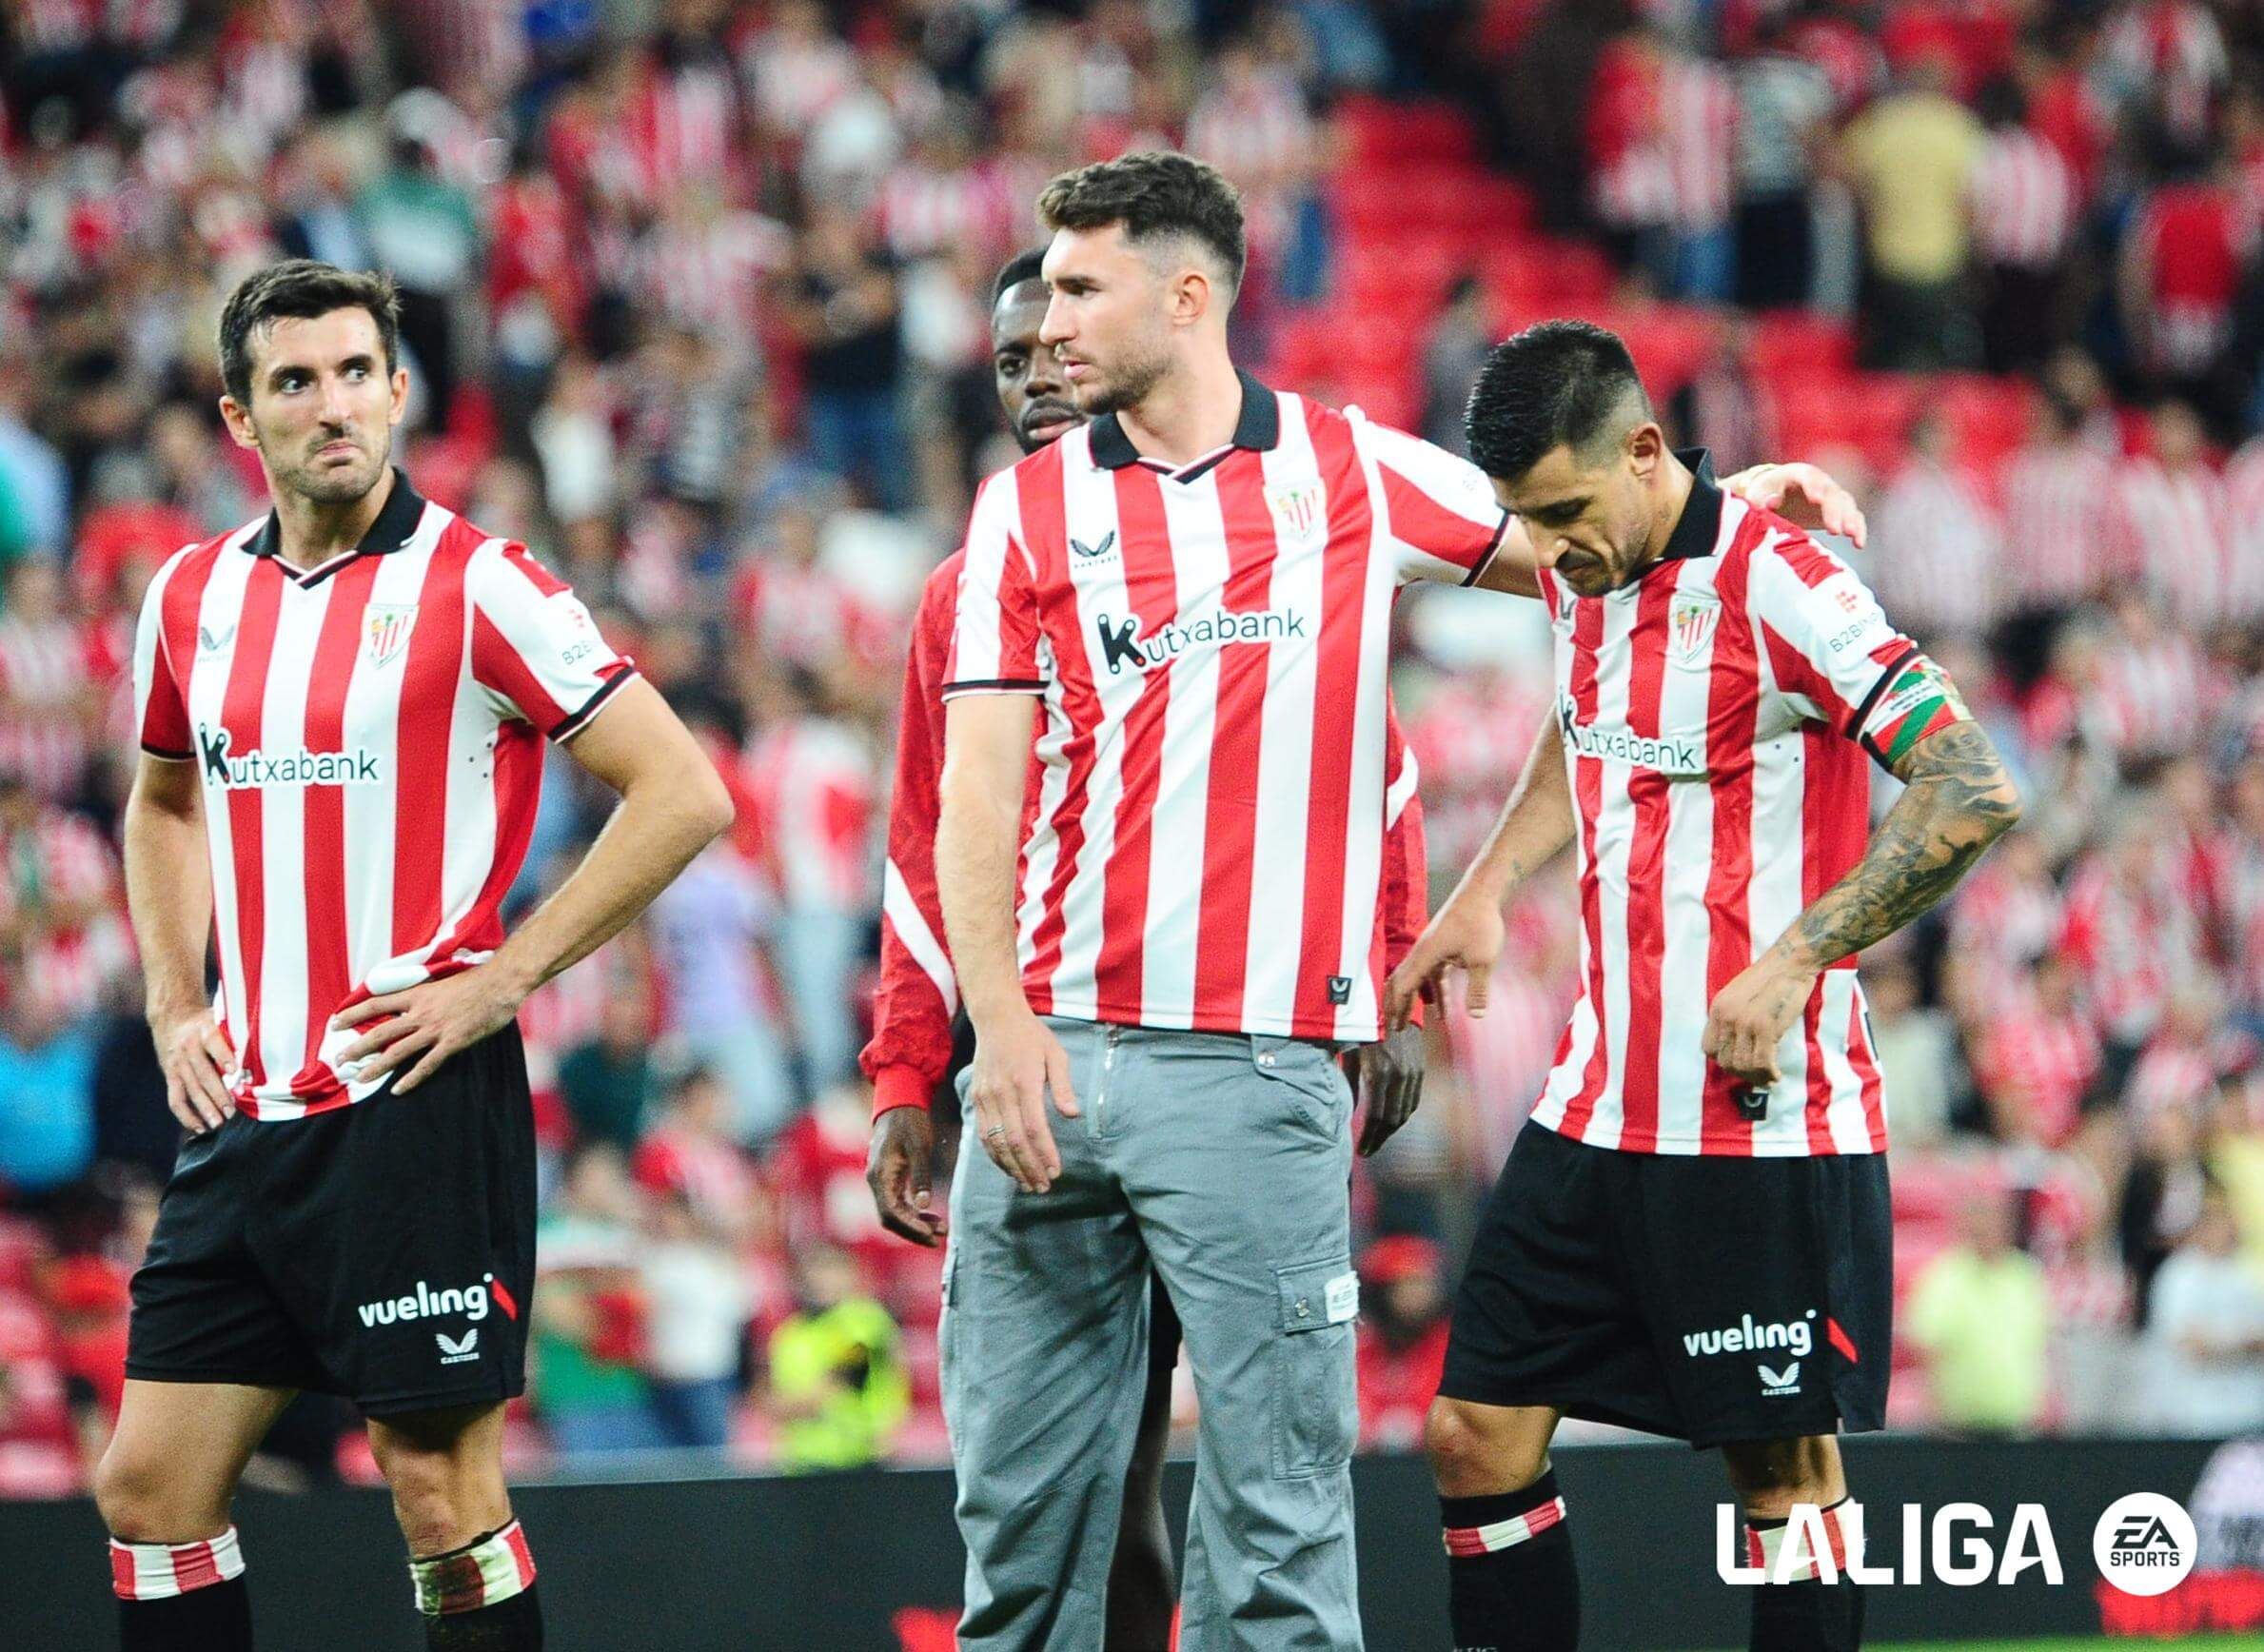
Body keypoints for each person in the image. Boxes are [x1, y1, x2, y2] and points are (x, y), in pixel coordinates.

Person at [935, 154, 1864, 1651]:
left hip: (1253, 1071)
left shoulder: (1350, 471)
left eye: (1078, 286)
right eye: (1044, 286)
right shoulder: (1020, 513)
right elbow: (971, 801)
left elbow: (1590, 544)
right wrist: (994, 1027)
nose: (1045, 321)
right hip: (1043, 1063)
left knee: (1279, 1538)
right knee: (1024, 1538)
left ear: (1188, 298)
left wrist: (1723, 500)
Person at [95, 261, 734, 1652]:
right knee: (147, 1491)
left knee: (438, 1492)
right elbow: (159, 801)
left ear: (398, 389)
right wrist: (171, 994)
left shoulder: (482, 583)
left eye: (355, 373)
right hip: (241, 1118)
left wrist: (505, 977)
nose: (333, 405)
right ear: (238, 419)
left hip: (413, 1105)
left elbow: (684, 791)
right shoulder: (191, 596)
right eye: (294, 381)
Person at [1388, 320, 2019, 1652]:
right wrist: (1486, 888)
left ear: (1639, 448)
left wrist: (1795, 958)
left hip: (1757, 1122)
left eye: (1562, 511)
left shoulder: (1784, 585)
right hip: (1595, 1104)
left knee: (1779, 1483)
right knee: (1471, 1435)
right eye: (1527, 519)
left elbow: (1974, 786)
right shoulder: (1583, 564)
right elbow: (1589, 725)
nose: (1548, 547)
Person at [863, 245, 1431, 1646]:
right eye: (1008, 361)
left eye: (1056, 340)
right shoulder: (975, 580)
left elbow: (1360, 765)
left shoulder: (1262, 523)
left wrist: (1395, 975)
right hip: (1047, 1075)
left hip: (1235, 1060)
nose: (1039, 373)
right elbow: (936, 840)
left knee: (1260, 1474)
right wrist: (902, 1077)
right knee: (1087, 1495)